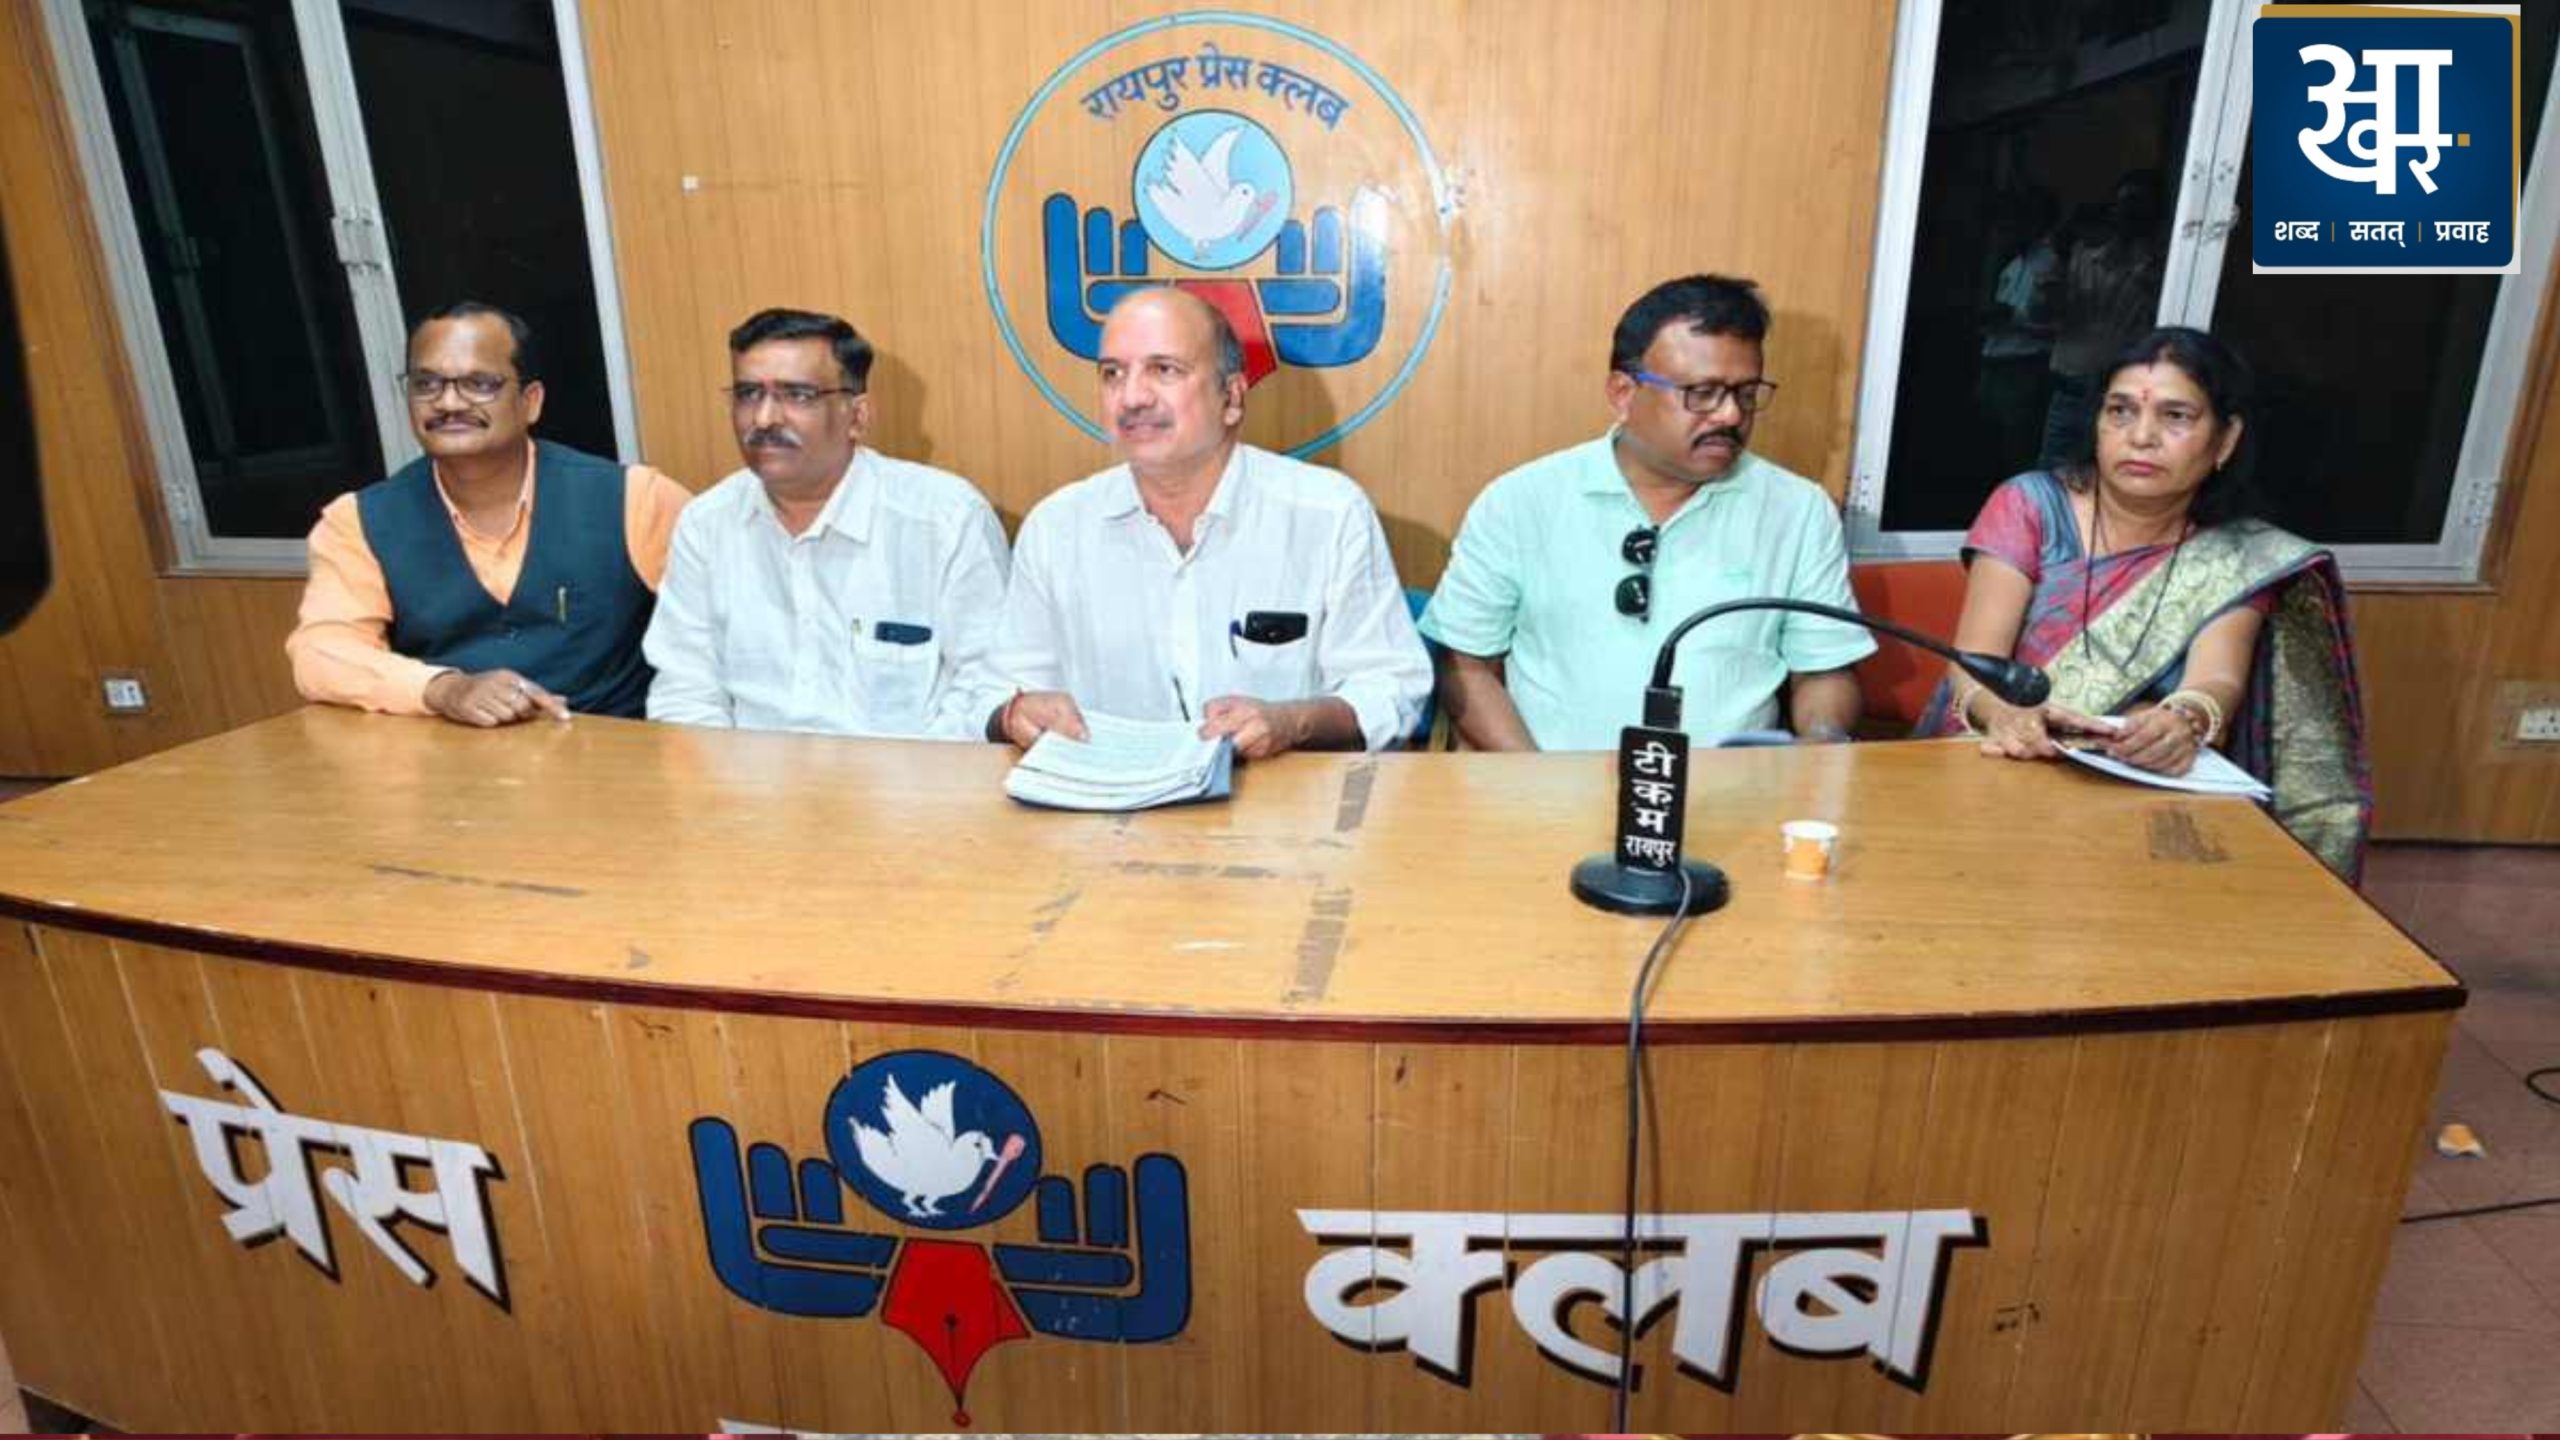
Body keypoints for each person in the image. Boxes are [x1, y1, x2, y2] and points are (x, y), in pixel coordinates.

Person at [1917, 326, 2371, 878]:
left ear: (2226, 440)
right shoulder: (2028, 505)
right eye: (2121, 411)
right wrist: (2006, 715)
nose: (2141, 437)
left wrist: (2183, 721)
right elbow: (1974, 663)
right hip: (2004, 759)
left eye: (2175, 416)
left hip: (2137, 787)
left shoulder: (2235, 553)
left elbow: (2216, 679)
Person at [1419, 274, 1873, 750]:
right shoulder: (1520, 502)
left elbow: (1824, 670)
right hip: (1550, 784)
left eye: (1745, 393)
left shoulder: (1797, 511)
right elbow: (1465, 667)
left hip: (1735, 788)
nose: (1731, 416)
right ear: (1623, 393)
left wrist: (1821, 740)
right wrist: (1532, 776)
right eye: (1702, 392)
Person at [985, 286, 1429, 757]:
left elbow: (1392, 689)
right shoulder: (1056, 528)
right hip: (1103, 797)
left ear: (1231, 397)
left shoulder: (1328, 513)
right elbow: (994, 691)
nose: (1132, 397)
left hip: (1281, 793)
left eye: (1164, 370)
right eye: (1113, 373)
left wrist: (1291, 723)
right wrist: (1013, 713)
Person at [288, 301, 689, 725]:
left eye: (479, 384)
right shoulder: (358, 520)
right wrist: (443, 689)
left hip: (615, 751)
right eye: (426, 384)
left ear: (530, 402)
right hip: (452, 755)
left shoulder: (635, 498)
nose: (447, 402)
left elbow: (720, 627)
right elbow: (320, 653)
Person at [643, 308, 1008, 739]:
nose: (764, 419)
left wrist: (908, 777)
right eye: (748, 394)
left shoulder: (946, 519)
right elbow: (684, 693)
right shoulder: (706, 524)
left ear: (857, 416)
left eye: (797, 395)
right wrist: (727, 778)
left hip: (912, 775)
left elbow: (988, 688)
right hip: (746, 777)